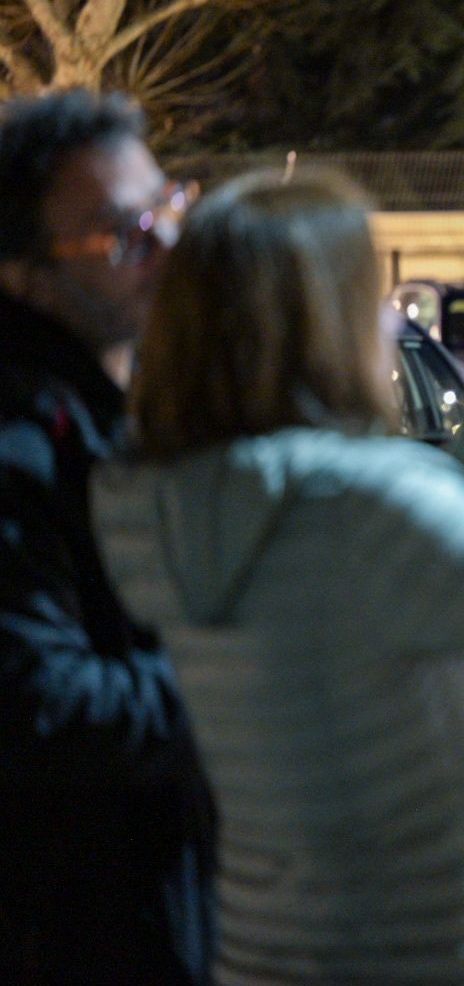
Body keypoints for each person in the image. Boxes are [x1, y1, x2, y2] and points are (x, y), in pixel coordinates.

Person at [89, 172, 464, 985]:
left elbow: (432, 572)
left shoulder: (163, 497)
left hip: (276, 957)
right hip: (453, 959)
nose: (392, 318)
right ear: (319, 322)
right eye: (367, 293)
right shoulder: (352, 504)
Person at [0, 90, 216, 984]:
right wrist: (247, 677)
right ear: (24, 274)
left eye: (168, 211)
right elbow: (39, 707)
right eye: (127, 234)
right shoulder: (20, 443)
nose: (168, 250)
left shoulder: (112, 416)